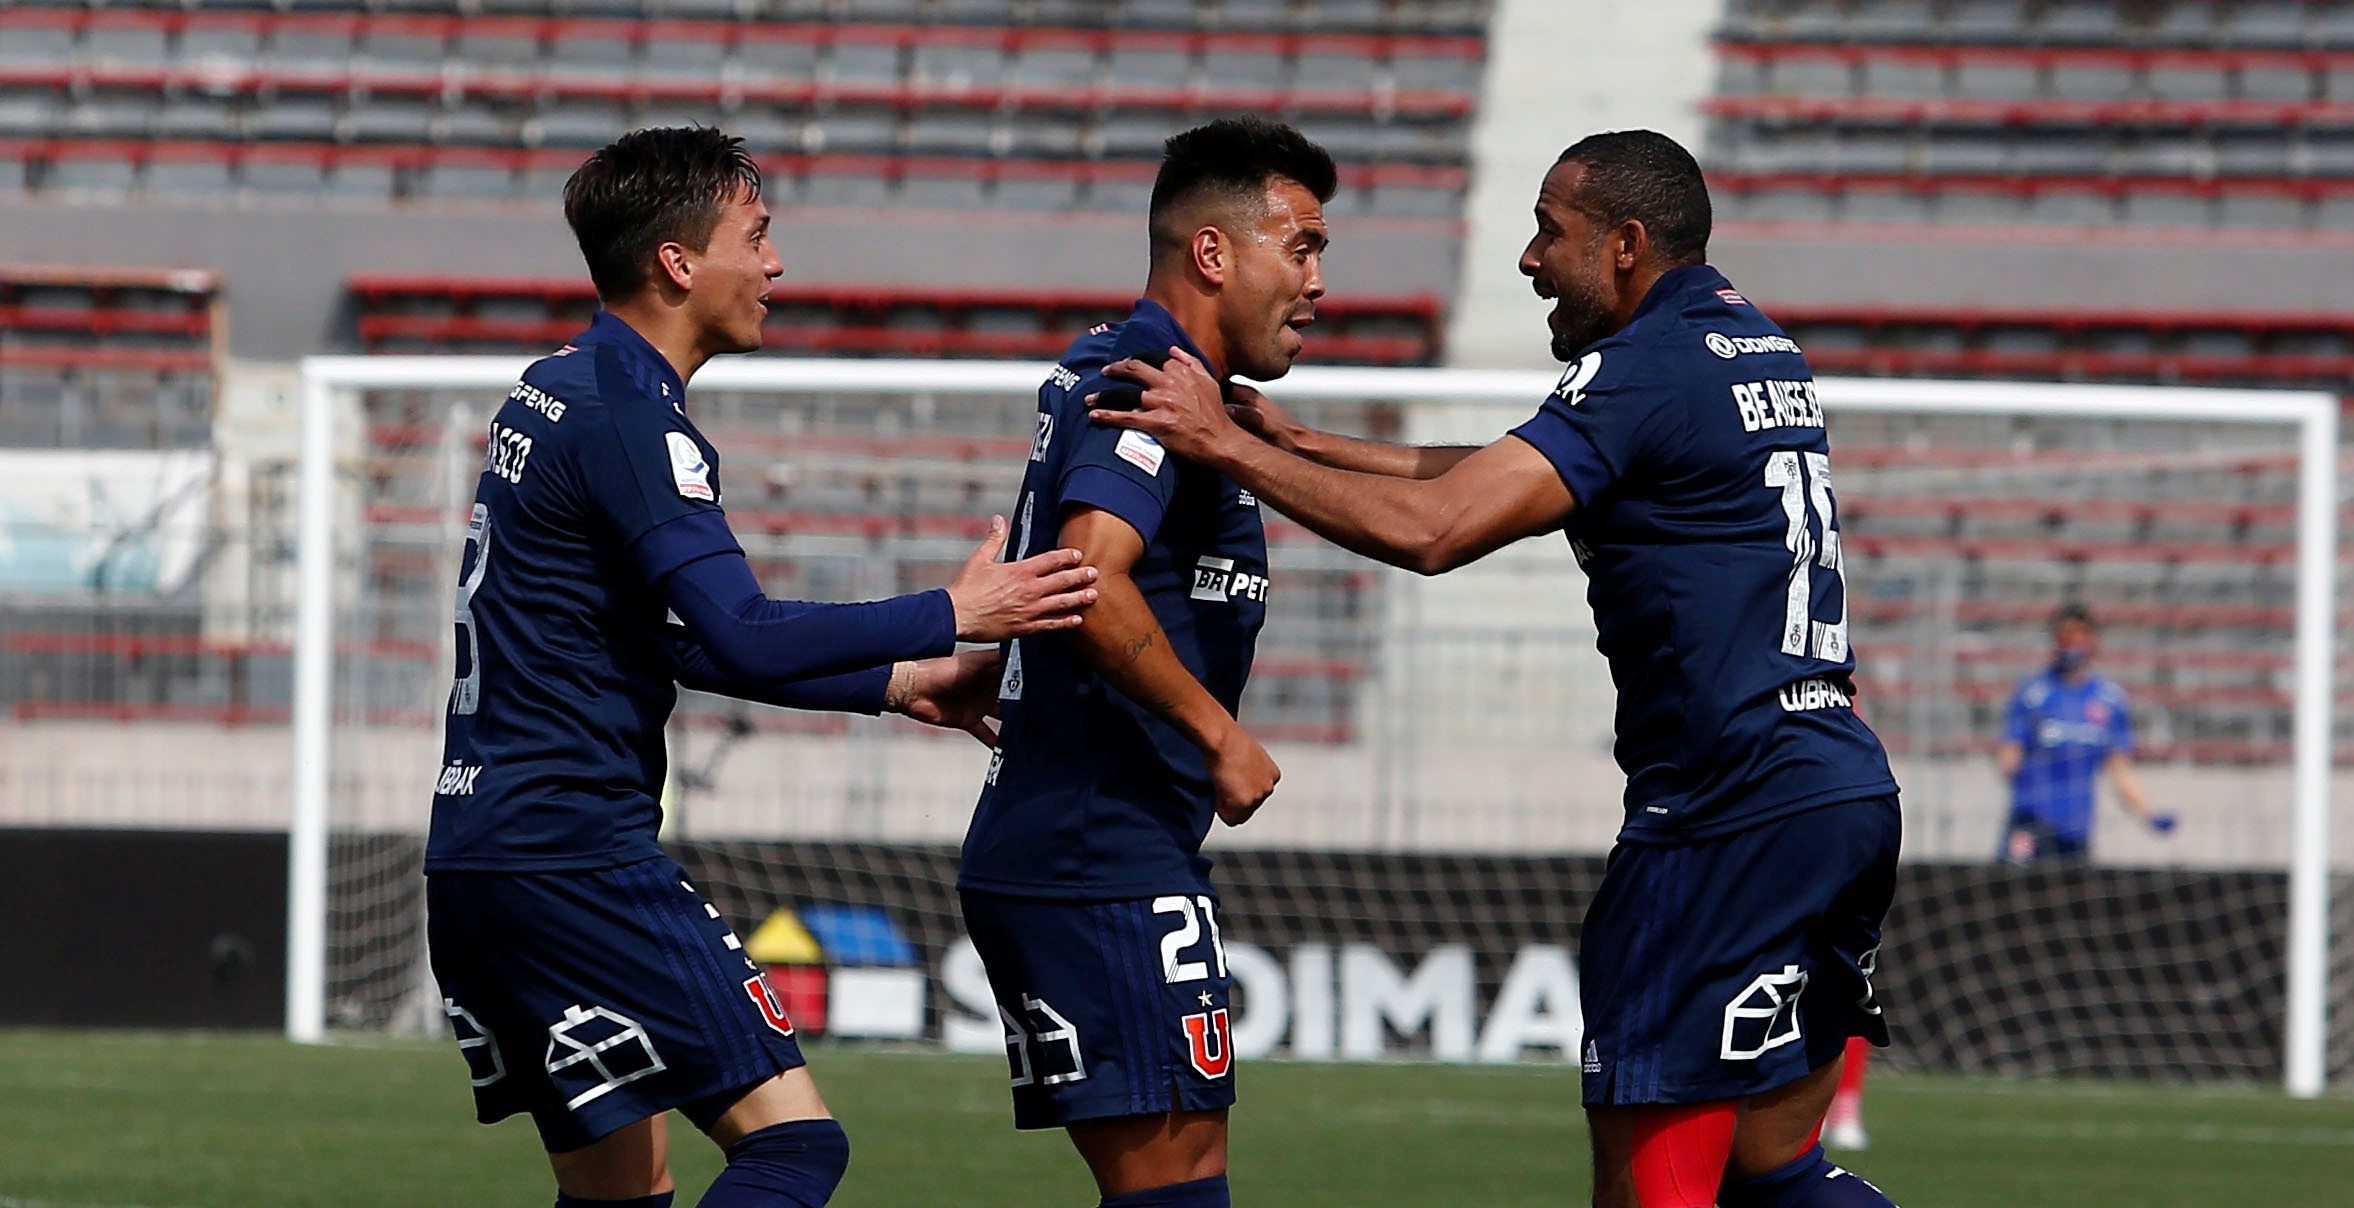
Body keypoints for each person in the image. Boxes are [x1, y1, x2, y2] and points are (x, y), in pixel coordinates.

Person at [1089, 130, 1903, 1208]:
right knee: (1773, 1168)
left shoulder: (1641, 369)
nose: (1527, 257)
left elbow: (1437, 529)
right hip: (1838, 792)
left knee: (1651, 1190)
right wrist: (1304, 441)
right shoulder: (1749, 344)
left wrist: (1229, 447)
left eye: (1548, 232)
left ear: (1622, 244)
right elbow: (1501, 475)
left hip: (1723, 812)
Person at [424, 126, 1102, 1208]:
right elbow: (739, 629)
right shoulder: (629, 421)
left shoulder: (556, 389)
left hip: (479, 860)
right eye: (757, 233)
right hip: (573, 856)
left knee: (620, 1194)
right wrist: (951, 611)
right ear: (678, 263)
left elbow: (678, 641)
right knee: (793, 1147)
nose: (776, 262)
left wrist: (898, 682)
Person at [956, 117, 1328, 1208]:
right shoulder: (1153, 385)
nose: (1314, 282)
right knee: (1176, 1191)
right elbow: (1088, 574)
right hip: (1094, 851)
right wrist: (1216, 733)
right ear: (1213, 253)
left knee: (1174, 1184)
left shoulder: (1152, 381)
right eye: (1298, 246)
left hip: (1093, 843)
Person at [1997, 603, 2174, 865]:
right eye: (2066, 637)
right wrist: (2024, 780)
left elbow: (2120, 771)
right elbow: (2009, 756)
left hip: (2076, 830)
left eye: (2080, 637)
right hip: (2031, 824)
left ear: (2093, 642)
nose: (2072, 645)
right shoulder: (2033, 694)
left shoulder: (2109, 700)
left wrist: (2147, 814)